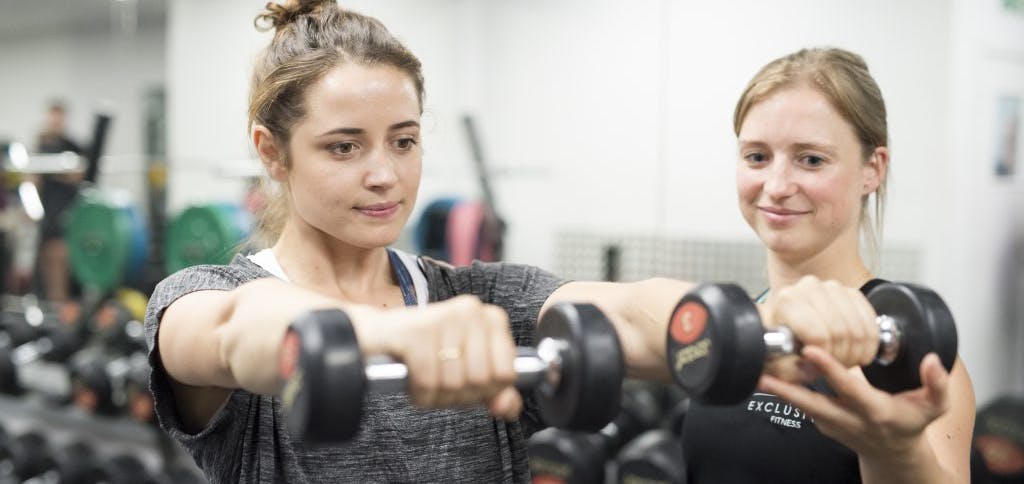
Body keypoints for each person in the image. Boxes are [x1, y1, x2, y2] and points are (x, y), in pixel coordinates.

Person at [145, 3, 891, 482]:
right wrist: (400, 334)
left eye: (403, 142)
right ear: (273, 153)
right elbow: (243, 332)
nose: (384, 175)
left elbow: (633, 313)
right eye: (344, 148)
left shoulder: (480, 301)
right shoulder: (205, 295)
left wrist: (771, 325)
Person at [680, 47, 976, 484]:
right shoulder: (737, 323)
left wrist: (891, 448)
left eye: (811, 159)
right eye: (757, 156)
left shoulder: (911, 354)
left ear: (872, 170)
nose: (776, 186)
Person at [34, 100, 84, 302]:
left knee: (60, 255)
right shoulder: (41, 145)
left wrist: (56, 172)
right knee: (46, 257)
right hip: (47, 209)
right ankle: (48, 301)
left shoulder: (72, 146)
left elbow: (79, 175)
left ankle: (60, 301)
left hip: (66, 209)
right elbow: (34, 179)